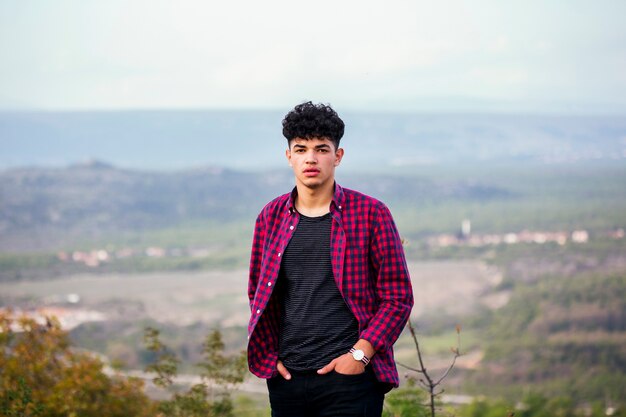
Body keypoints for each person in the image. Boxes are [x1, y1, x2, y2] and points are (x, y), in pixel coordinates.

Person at [247, 101, 414, 417]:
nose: (311, 158)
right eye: (301, 149)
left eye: (321, 149)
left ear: (338, 156)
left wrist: (360, 355)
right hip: (287, 380)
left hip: (350, 380)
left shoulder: (371, 214)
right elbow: (259, 293)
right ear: (289, 157)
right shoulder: (270, 217)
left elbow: (397, 298)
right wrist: (272, 358)